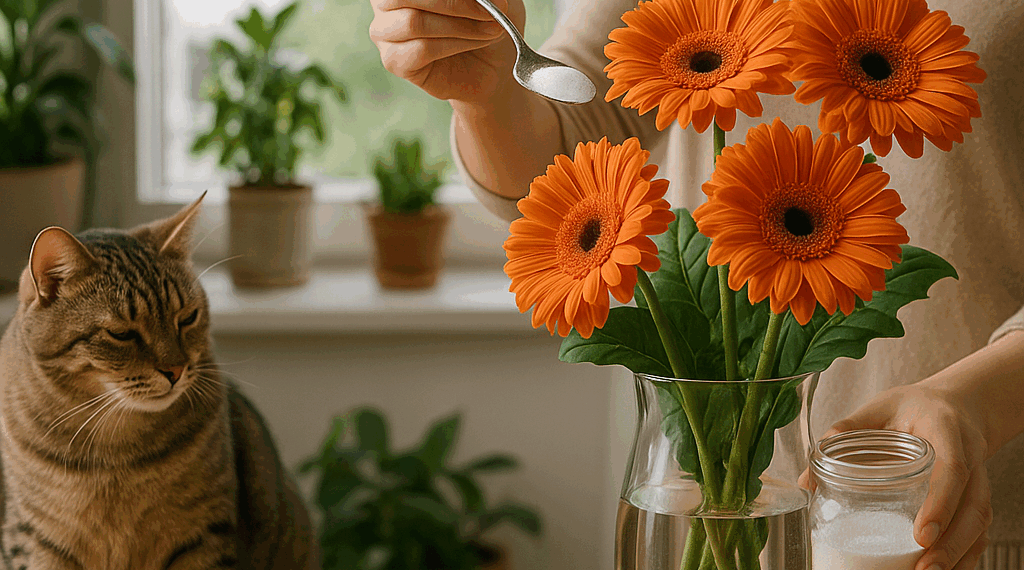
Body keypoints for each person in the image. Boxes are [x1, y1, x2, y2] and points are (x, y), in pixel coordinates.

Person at [369, 0, 1024, 568]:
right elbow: (572, 150)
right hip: (698, 512)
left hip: (959, 528)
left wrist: (974, 404)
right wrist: (488, 92)